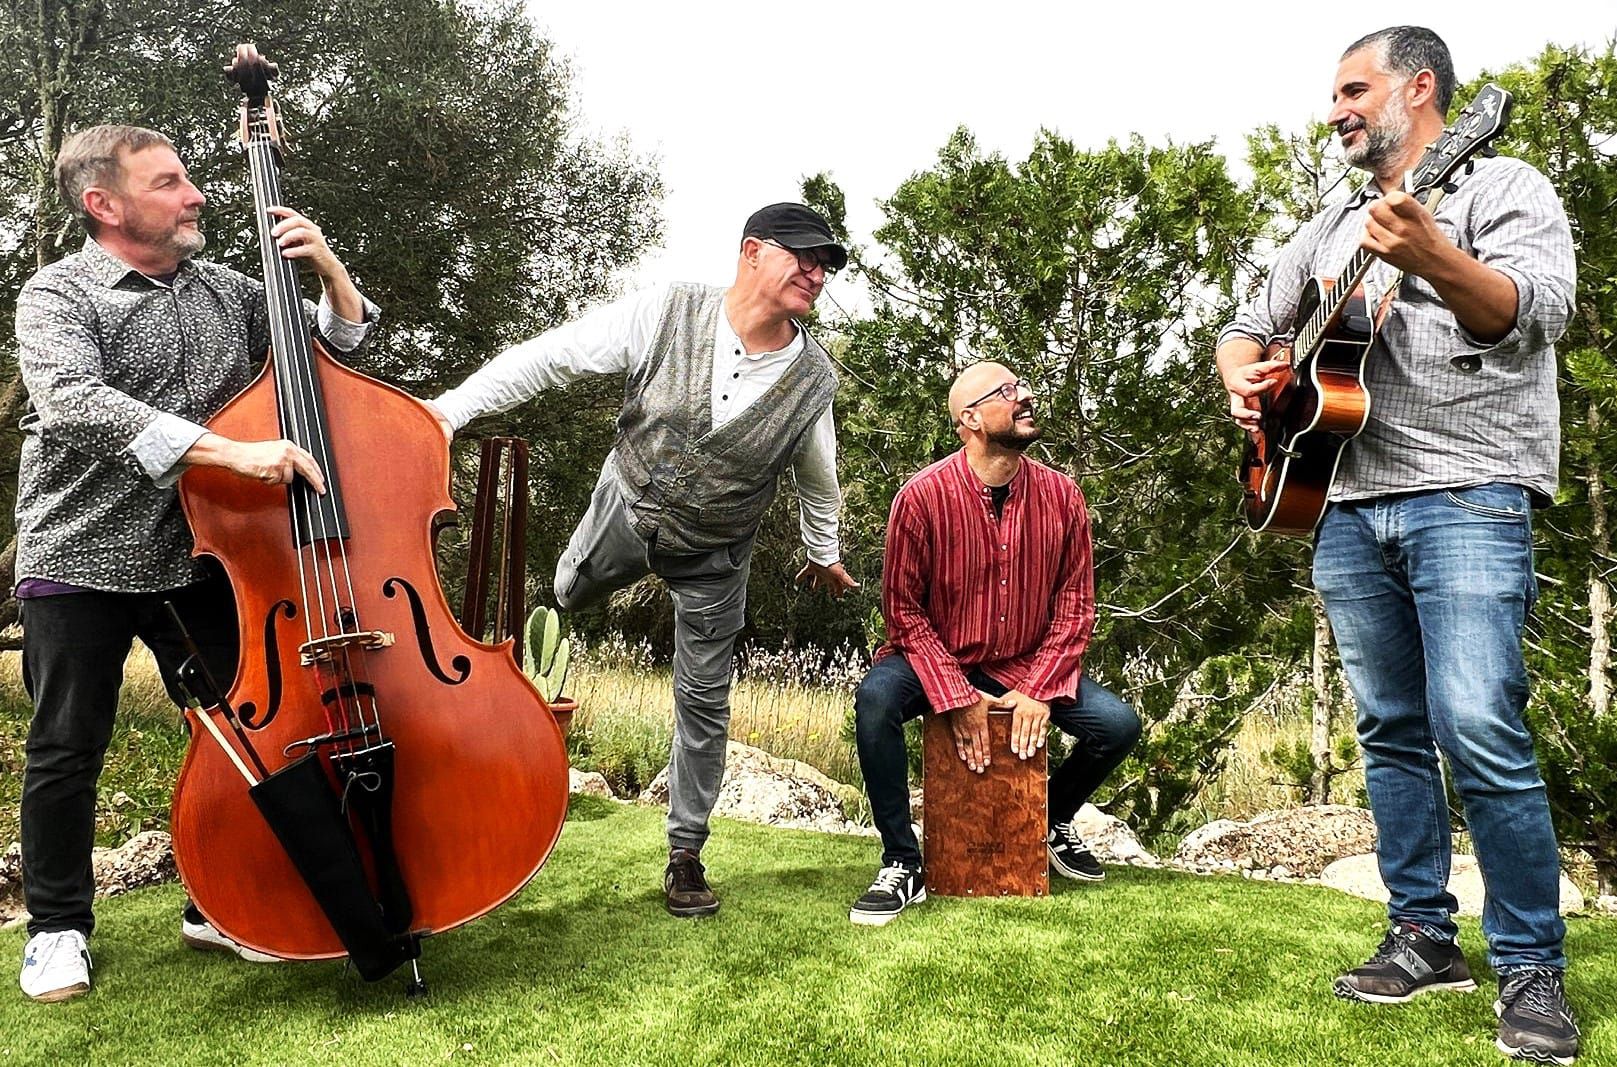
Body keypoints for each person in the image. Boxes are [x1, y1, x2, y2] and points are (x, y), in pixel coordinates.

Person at [1215, 26, 1580, 1064]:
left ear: (1419, 90)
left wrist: (1433, 255)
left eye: (1352, 88)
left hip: (1466, 490)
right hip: (1338, 495)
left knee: (1477, 720)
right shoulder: (1329, 222)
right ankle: (1422, 932)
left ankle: (1529, 964)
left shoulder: (1502, 183)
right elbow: (1251, 319)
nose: (1334, 108)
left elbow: (1532, 312)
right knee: (1387, 726)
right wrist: (1243, 370)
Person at [14, 124, 376, 1002]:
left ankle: (217, 901)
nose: (196, 194)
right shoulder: (58, 294)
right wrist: (232, 453)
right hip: (79, 551)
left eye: (188, 178)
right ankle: (58, 926)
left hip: (200, 555)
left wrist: (330, 272)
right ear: (105, 204)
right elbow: (72, 401)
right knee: (68, 746)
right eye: (169, 182)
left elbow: (329, 357)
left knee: (242, 737)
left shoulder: (226, 289)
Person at [430, 202, 859, 918]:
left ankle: (685, 852)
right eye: (803, 256)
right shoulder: (665, 311)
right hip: (626, 510)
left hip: (716, 553)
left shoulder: (812, 381)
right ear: (751, 251)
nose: (816, 273)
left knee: (703, 700)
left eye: (826, 264)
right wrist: (447, 411)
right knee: (567, 588)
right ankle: (569, 586)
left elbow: (819, 478)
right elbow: (551, 357)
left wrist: (822, 553)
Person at [847, 361, 1140, 926]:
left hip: (1026, 662)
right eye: (1008, 391)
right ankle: (902, 862)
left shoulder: (1063, 497)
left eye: (1021, 385)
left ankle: (1046, 822)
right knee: (875, 701)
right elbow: (903, 612)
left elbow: (1076, 605)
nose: (1025, 395)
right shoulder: (920, 497)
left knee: (1118, 726)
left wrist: (1039, 690)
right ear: (971, 418)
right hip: (937, 657)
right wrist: (955, 694)